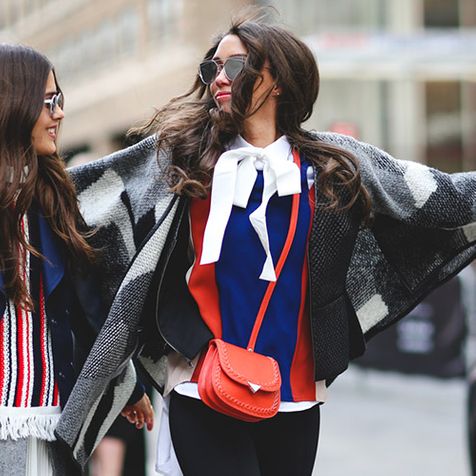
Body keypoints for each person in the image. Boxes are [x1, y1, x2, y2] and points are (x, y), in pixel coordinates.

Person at [55, 12, 476, 476]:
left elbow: (440, 198)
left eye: (233, 67)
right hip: (202, 384)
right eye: (211, 68)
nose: (218, 78)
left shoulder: (333, 164)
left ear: (276, 79)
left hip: (295, 394)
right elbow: (81, 196)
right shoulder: (183, 159)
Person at [0, 44, 152, 476]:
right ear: (13, 105)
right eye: (48, 102)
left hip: (53, 421)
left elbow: (89, 306)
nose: (59, 113)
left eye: (60, 99)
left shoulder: (57, 199)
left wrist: (128, 385)